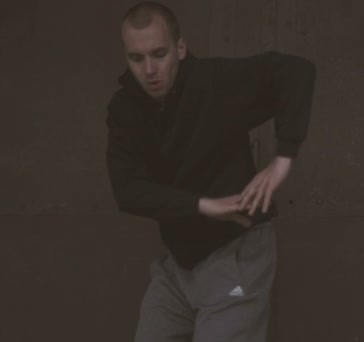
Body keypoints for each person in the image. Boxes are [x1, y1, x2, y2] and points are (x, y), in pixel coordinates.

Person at [104, 2, 316, 341]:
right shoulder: (125, 109)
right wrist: (205, 205)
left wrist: (283, 159)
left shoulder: (215, 83)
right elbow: (127, 190)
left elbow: (296, 71)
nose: (149, 69)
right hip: (179, 264)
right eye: (136, 58)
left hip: (235, 253)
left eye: (159, 54)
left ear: (181, 48)